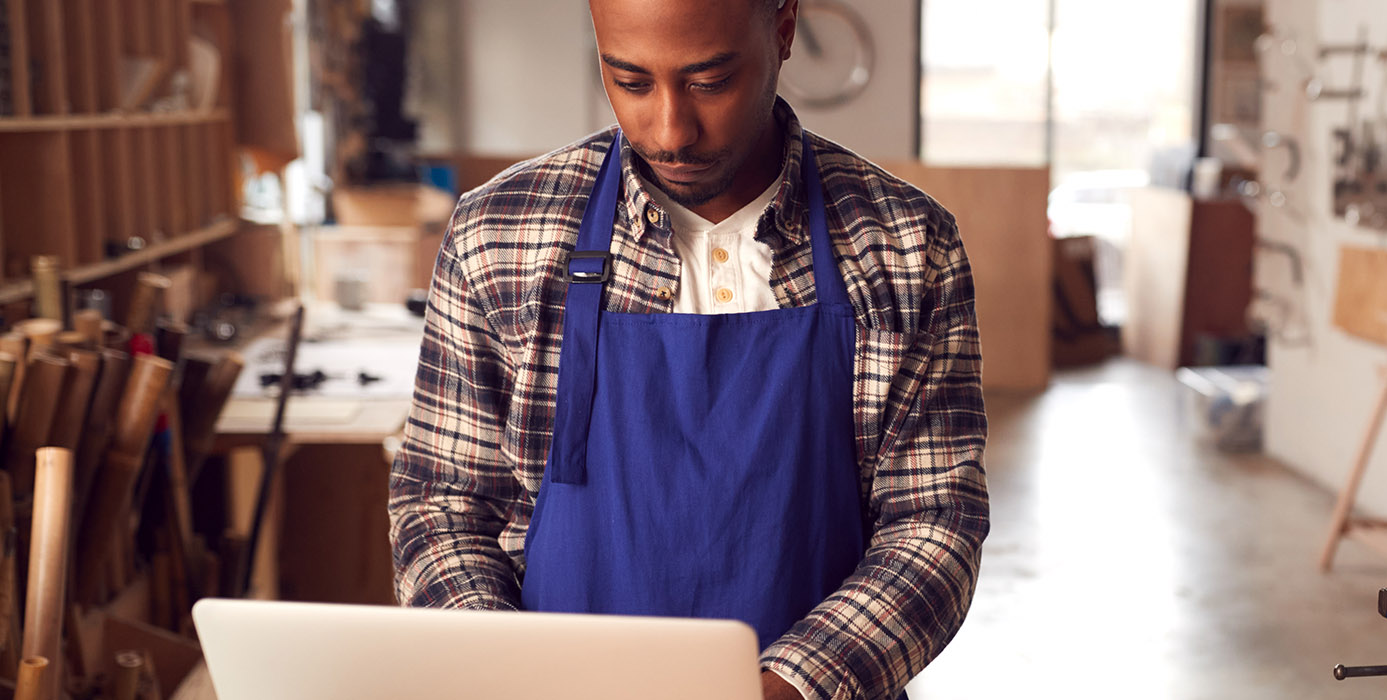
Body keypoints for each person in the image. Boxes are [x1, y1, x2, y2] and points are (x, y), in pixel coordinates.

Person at [387, 1, 990, 698]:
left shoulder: (906, 245)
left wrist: (785, 687)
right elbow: (443, 506)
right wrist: (507, 675)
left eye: (709, 81)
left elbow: (935, 522)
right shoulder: (499, 234)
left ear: (784, 29)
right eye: (631, 81)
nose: (670, 130)